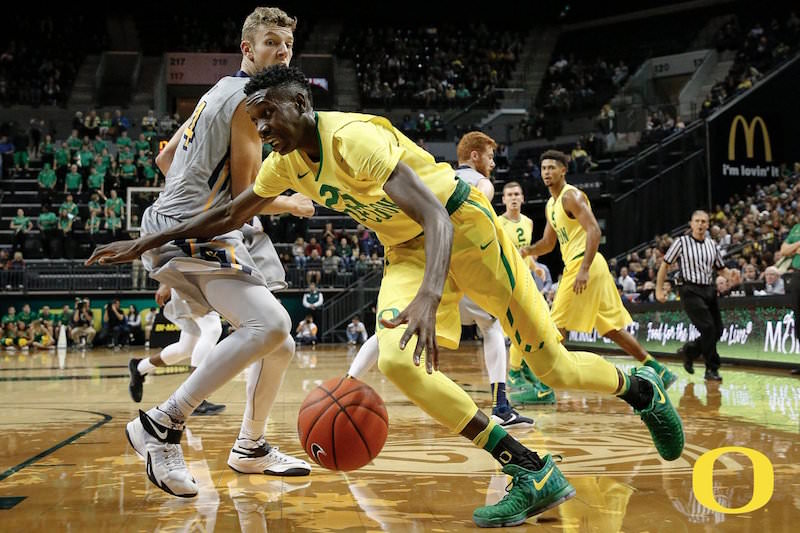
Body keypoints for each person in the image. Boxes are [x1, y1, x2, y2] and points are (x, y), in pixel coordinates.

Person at [88, 65, 684, 526]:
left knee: (553, 366)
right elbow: (226, 214)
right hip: (406, 251)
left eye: (267, 114)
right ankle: (530, 470)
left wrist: (430, 296)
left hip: (465, 229)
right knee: (397, 361)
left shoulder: (354, 139)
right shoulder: (283, 165)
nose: (261, 128)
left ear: (301, 104)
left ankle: (640, 388)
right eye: (255, 119)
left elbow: (436, 216)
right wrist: (145, 242)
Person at [88, 8, 315, 498]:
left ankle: (250, 447)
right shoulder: (249, 103)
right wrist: (292, 202)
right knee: (270, 325)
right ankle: (161, 424)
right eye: (271, 42)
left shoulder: (218, 89)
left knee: (281, 344)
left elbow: (165, 158)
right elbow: (244, 196)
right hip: (196, 231)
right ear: (247, 49)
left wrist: (183, 202)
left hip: (184, 226)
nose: (281, 51)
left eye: (287, 45)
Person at [346, 132, 534, 427]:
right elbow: (472, 212)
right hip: (459, 266)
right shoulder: (481, 183)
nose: (493, 163)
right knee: (492, 326)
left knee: (391, 328)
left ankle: (346, 386)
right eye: (490, 156)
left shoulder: (437, 175)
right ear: (475, 156)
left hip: (427, 264)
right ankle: (501, 407)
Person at [521, 150, 677, 395]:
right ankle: (658, 369)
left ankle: (544, 388)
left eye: (552, 167)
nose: (547, 172)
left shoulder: (570, 196)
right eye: (543, 168)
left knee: (555, 325)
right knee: (611, 329)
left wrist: (583, 269)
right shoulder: (551, 204)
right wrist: (527, 250)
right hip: (589, 265)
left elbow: (594, 230)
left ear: (563, 170)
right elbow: (549, 243)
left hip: (584, 264)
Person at [497, 181, 556, 405]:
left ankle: (520, 370)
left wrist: (536, 267)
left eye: (517, 194)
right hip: (508, 283)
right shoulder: (498, 223)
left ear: (522, 198)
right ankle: (515, 372)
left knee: (530, 329)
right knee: (522, 330)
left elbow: (526, 254)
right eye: (509, 195)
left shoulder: (529, 223)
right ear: (503, 200)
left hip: (527, 282)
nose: (513, 198)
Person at [128, 283, 226, 415]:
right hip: (190, 282)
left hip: (195, 283)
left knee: (186, 348)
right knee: (212, 329)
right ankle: (193, 398)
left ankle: (139, 367)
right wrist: (166, 283)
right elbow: (169, 261)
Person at [656, 210, 726, 381]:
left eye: (704, 221)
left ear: (708, 224)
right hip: (690, 289)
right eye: (697, 221)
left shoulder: (712, 244)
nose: (701, 224)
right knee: (708, 328)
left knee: (718, 331)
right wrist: (659, 289)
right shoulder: (681, 242)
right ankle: (712, 369)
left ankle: (690, 351)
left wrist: (731, 275)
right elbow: (665, 266)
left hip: (709, 289)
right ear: (691, 224)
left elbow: (721, 268)